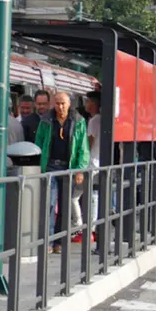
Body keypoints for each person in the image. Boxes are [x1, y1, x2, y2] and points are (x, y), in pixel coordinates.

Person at [34, 92, 89, 254]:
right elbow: (39, 142)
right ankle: (48, 241)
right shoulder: (46, 121)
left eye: (63, 103)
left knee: (65, 205)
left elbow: (83, 148)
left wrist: (79, 169)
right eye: (57, 103)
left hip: (68, 168)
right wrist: (38, 167)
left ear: (69, 104)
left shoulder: (78, 121)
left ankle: (60, 241)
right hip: (50, 166)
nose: (60, 107)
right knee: (49, 204)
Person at [72, 91, 101, 242]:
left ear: (94, 103)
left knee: (74, 196)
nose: (86, 104)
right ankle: (92, 228)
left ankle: (81, 228)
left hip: (90, 163)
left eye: (88, 101)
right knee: (93, 196)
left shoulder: (94, 121)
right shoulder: (100, 119)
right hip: (98, 162)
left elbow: (88, 142)